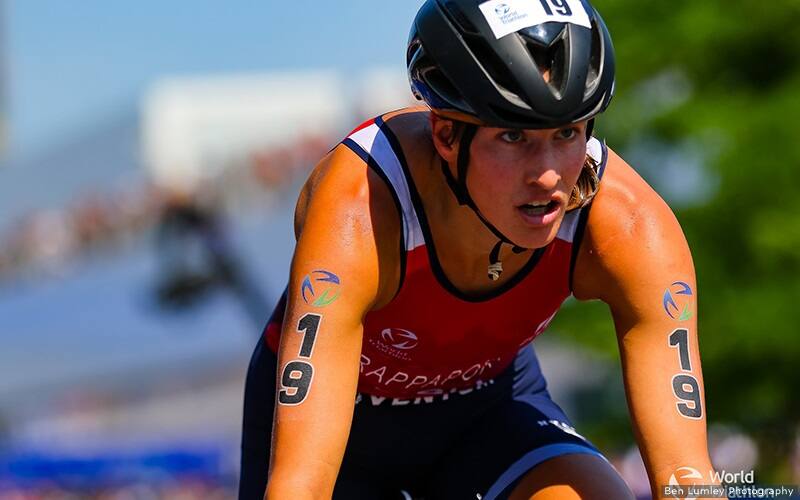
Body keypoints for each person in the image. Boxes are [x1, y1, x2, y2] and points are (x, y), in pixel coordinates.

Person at [241, 0, 720, 498]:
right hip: (344, 431)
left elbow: (688, 478)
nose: (550, 174)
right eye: (514, 135)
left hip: (488, 413)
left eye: (567, 133)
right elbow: (301, 486)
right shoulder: (361, 206)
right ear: (446, 134)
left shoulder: (628, 224)